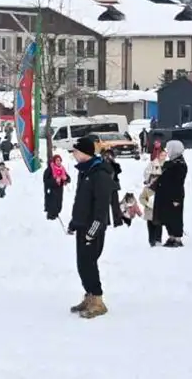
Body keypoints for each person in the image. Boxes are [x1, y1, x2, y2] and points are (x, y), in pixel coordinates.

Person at [67, 136, 114, 319]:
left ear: (85, 152)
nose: (73, 154)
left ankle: (98, 300)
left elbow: (101, 207)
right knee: (82, 264)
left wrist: (93, 231)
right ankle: (89, 295)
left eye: (76, 151)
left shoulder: (99, 174)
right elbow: (81, 201)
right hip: (82, 225)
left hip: (93, 228)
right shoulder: (84, 172)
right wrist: (74, 222)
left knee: (89, 263)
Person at [153, 140, 188, 247]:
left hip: (174, 195)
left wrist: (176, 199)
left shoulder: (180, 164)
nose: (168, 151)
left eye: (169, 149)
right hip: (166, 195)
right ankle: (171, 236)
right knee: (168, 216)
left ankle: (177, 238)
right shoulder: (172, 162)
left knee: (175, 216)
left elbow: (178, 183)